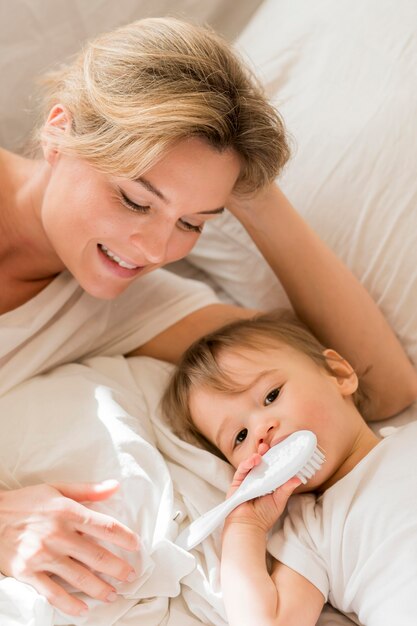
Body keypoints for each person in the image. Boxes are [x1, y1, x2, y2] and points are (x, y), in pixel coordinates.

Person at [0, 15, 416, 618]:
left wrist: (249, 186)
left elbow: (378, 386)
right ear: (60, 128)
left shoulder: (119, 302)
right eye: (135, 200)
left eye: (192, 222)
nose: (151, 249)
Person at [162, 310, 417, 626]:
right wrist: (244, 526)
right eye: (239, 436)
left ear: (338, 373)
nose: (260, 431)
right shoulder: (309, 530)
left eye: (271, 396)